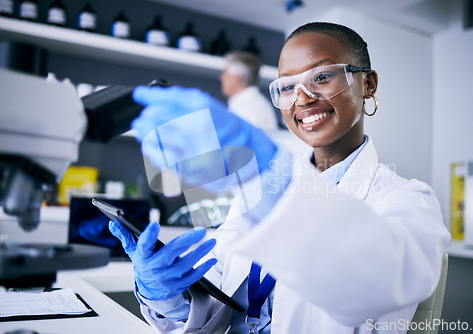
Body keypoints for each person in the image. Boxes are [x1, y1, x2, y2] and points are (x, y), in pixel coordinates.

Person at [109, 22, 450, 333]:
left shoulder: (408, 199)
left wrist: (265, 173)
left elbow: (373, 287)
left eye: (322, 76)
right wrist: (164, 291)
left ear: (368, 84)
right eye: (287, 86)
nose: (301, 98)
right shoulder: (259, 191)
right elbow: (220, 291)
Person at [220, 51, 279, 131]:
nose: (221, 78)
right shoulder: (262, 104)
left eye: (225, 73)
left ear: (236, 79)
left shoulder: (242, 110)